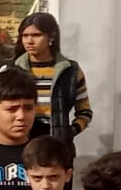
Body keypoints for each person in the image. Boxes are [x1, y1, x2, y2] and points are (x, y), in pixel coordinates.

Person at [13, 12, 92, 140]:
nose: (29, 41)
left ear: (51, 37)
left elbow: (85, 112)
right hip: (19, 143)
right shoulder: (12, 70)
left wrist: (70, 132)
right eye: (25, 36)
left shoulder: (70, 71)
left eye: (36, 35)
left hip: (57, 145)